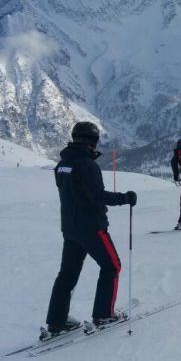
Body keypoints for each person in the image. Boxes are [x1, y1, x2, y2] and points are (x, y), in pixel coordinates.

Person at [44, 121, 137, 338]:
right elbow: (97, 196)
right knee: (112, 266)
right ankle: (104, 315)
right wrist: (126, 198)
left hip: (70, 228)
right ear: (93, 141)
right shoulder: (87, 165)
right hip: (92, 227)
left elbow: (73, 193)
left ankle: (57, 322)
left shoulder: (62, 165)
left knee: (67, 275)